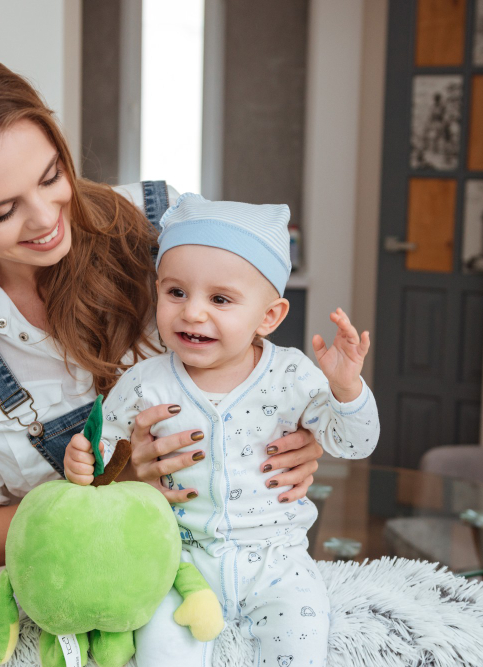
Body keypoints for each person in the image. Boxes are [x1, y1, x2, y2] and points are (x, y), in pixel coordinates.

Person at [0, 50, 324, 569]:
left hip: (246, 566)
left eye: (51, 177)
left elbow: (254, 366)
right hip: (89, 593)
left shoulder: (165, 225)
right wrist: (112, 486)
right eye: (2, 212)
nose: (46, 219)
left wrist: (292, 443)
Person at [64, 194, 380, 667]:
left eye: (219, 299)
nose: (192, 313)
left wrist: (346, 388)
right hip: (177, 562)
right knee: (160, 650)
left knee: (302, 643)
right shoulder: (145, 382)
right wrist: (84, 460)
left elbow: (354, 443)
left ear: (269, 316)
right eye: (175, 293)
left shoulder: (291, 376)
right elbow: (105, 454)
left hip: (277, 563)